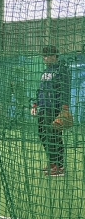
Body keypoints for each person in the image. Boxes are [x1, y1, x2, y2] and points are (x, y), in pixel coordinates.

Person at [31, 45, 71, 177]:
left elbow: (65, 89)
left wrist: (64, 107)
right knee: (43, 135)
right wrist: (35, 104)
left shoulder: (62, 70)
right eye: (43, 56)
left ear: (54, 56)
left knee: (53, 136)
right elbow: (41, 89)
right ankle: (53, 162)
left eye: (47, 56)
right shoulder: (46, 71)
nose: (44, 58)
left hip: (54, 108)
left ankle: (59, 166)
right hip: (44, 108)